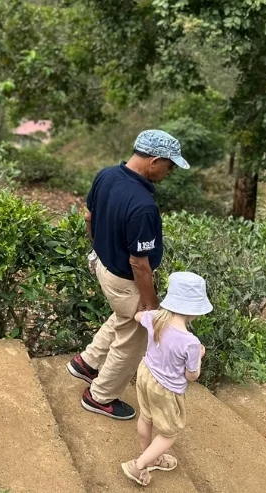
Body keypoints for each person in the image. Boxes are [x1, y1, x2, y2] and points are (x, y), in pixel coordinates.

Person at [66, 130, 190, 419]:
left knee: (123, 316)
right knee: (134, 337)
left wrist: (98, 248)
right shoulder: (142, 205)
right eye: (169, 166)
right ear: (155, 161)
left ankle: (87, 363)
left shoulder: (106, 175)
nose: (169, 173)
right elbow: (139, 263)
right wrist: (151, 305)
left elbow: (89, 216)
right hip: (125, 279)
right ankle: (100, 397)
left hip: (104, 267)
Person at [121, 272, 212, 486]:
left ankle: (152, 458)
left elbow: (138, 317)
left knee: (146, 417)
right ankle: (139, 465)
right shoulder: (191, 343)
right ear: (194, 310)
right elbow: (191, 375)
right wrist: (199, 356)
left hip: (145, 375)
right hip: (166, 389)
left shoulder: (154, 318)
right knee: (170, 433)